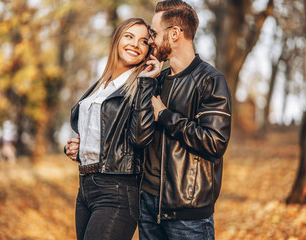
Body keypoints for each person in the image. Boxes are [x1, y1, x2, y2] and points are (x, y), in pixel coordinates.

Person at [131, 1, 232, 239]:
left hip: (188, 214)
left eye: (154, 33)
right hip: (147, 206)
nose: (150, 40)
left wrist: (166, 116)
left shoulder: (211, 80)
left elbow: (215, 142)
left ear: (175, 33)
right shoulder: (155, 79)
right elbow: (136, 135)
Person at [64, 18, 163, 240]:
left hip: (117, 190)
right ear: (117, 40)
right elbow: (105, 133)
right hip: (86, 187)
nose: (135, 44)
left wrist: (147, 83)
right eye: (129, 36)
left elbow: (139, 137)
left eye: (144, 41)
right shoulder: (102, 86)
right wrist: (76, 147)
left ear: (148, 50)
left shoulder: (142, 84)